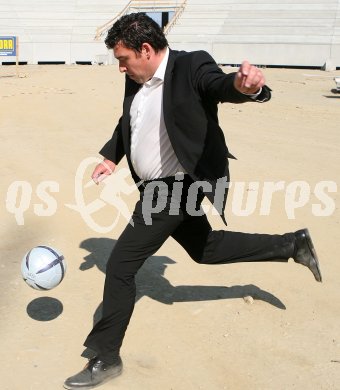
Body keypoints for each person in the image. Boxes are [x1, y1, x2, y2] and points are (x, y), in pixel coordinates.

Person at [64, 12, 322, 390]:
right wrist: (110, 157)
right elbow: (130, 122)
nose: (120, 68)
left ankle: (106, 356)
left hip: (174, 188)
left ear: (146, 49)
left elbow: (220, 85)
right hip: (157, 187)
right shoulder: (139, 78)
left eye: (122, 59)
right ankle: (292, 243)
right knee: (206, 249)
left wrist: (246, 87)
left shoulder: (190, 65)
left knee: (120, 265)